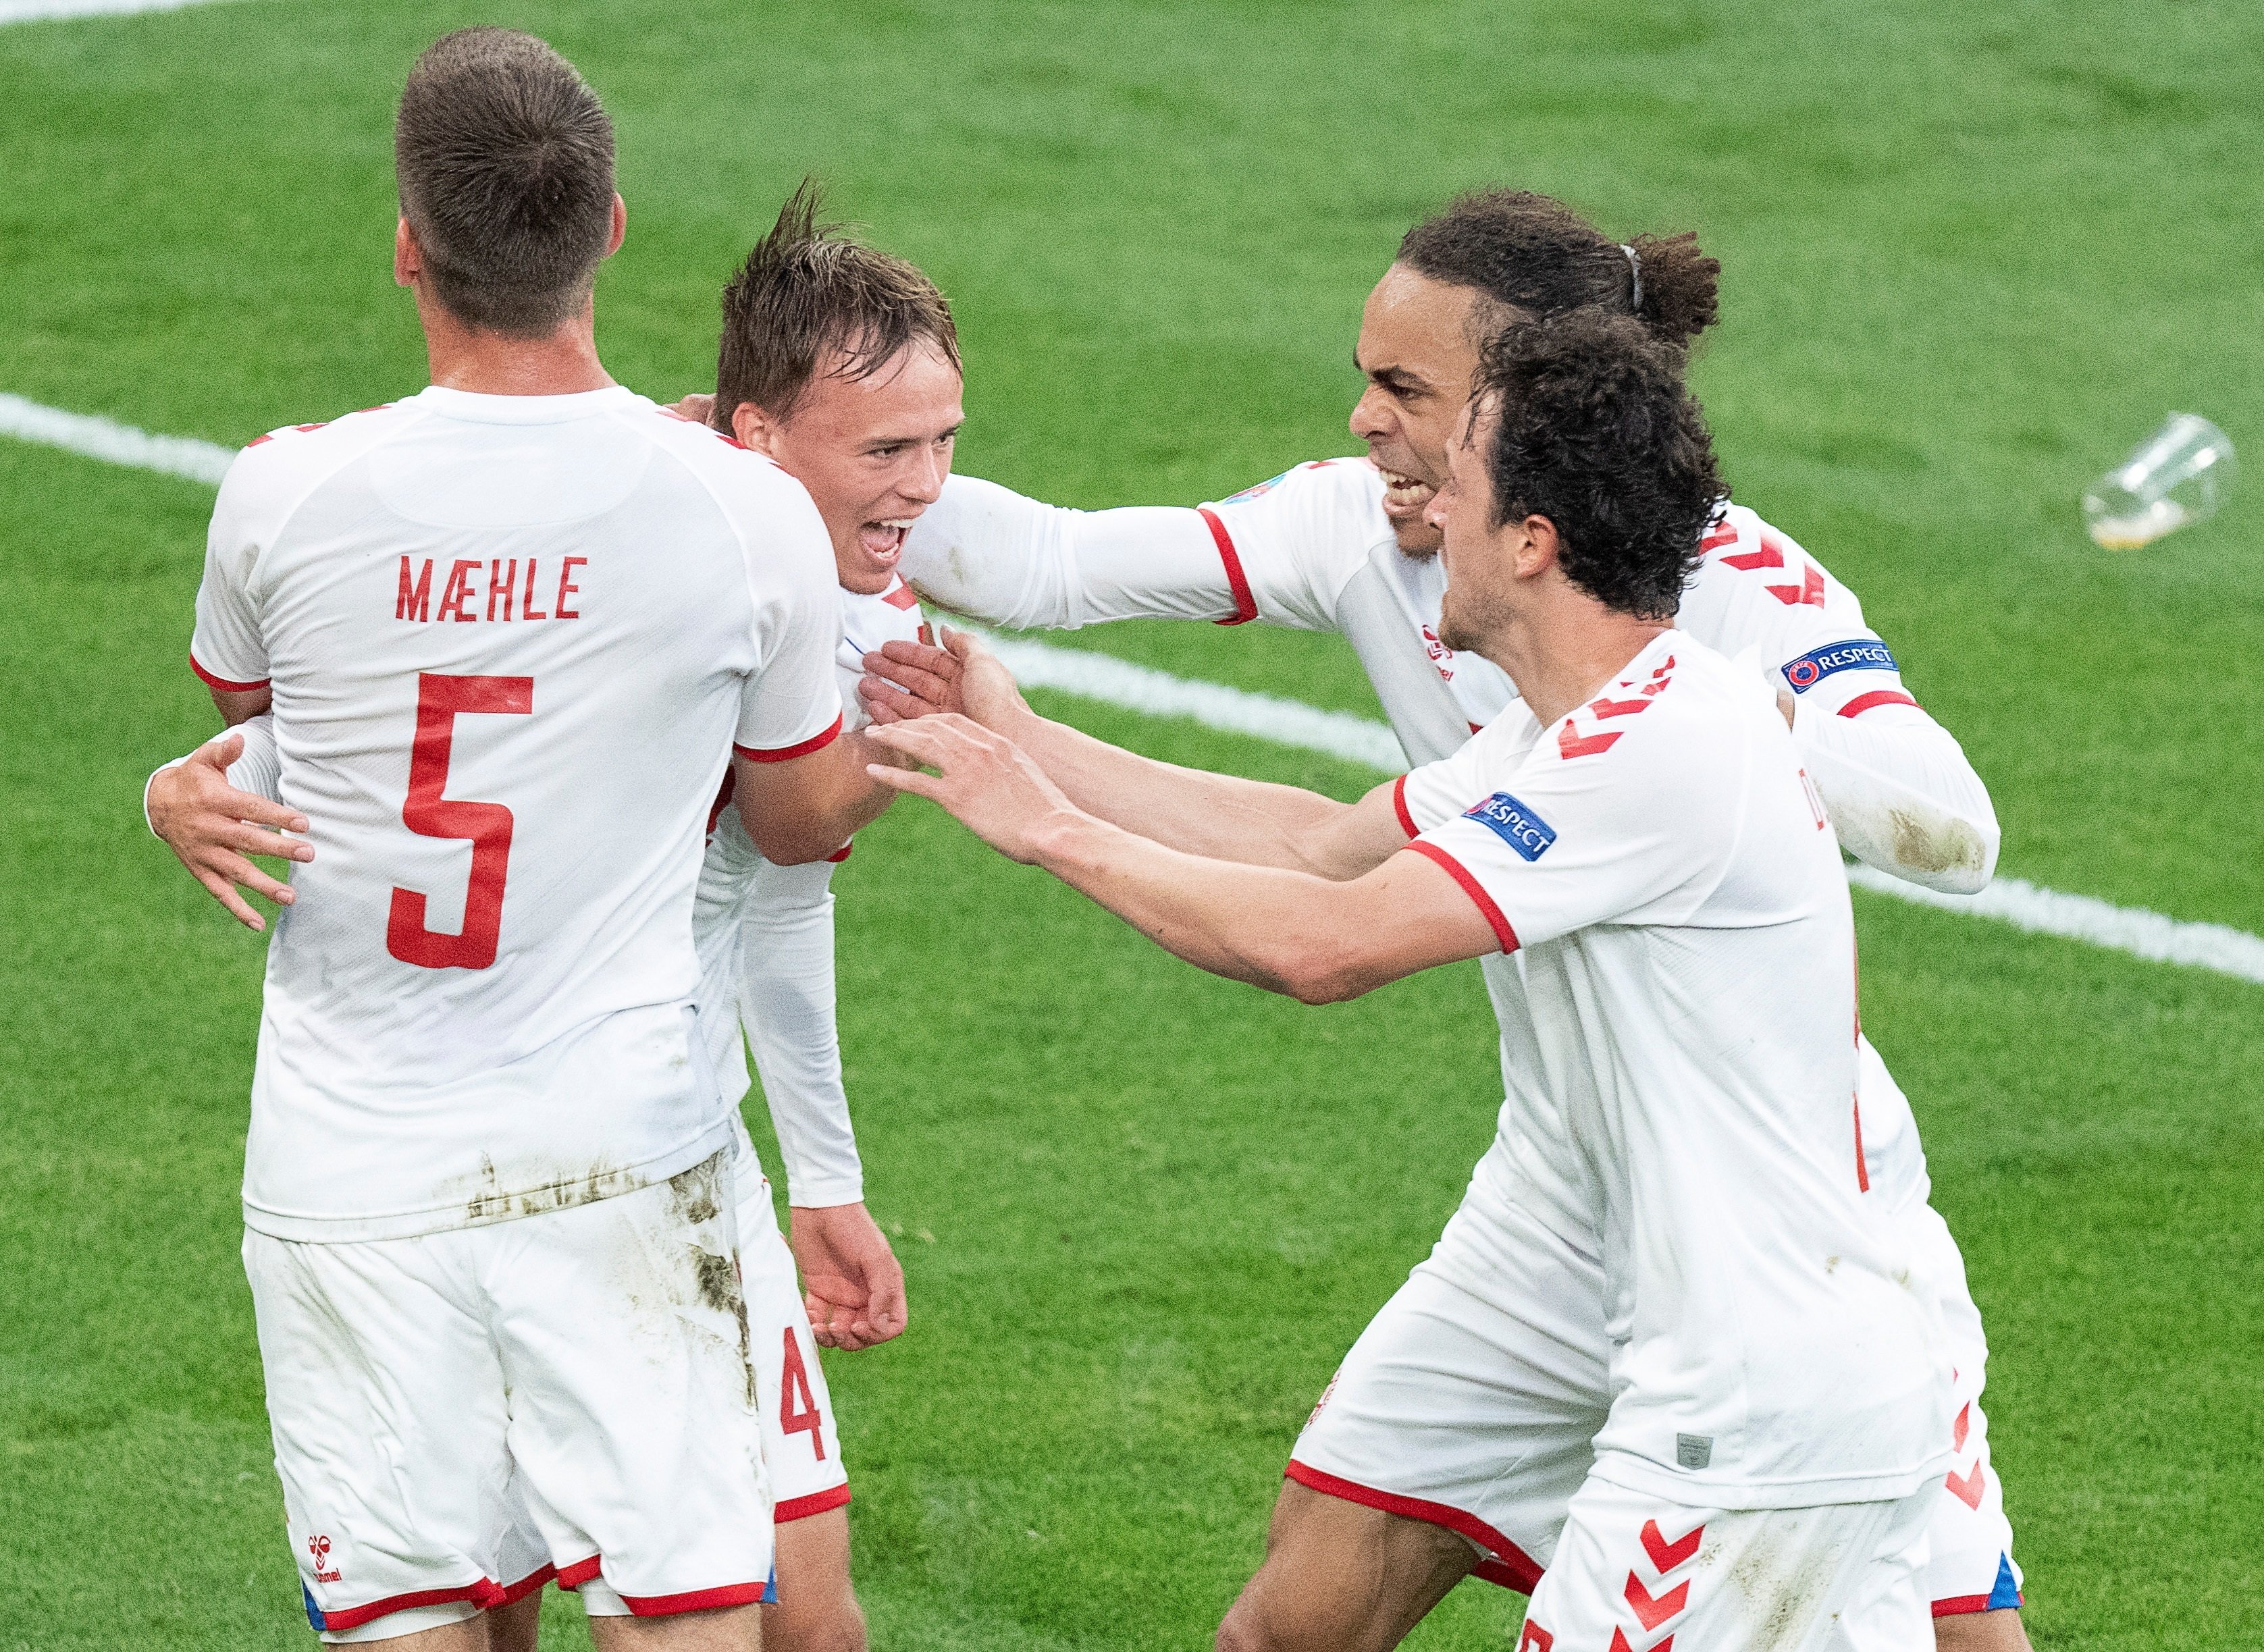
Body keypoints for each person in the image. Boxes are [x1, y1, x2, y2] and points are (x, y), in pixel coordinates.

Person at [879, 190, 2026, 1645]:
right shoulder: (1540, 719)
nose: (1362, 428)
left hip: (1771, 1301)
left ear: (1526, 467)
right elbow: (1319, 849)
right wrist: (1020, 744)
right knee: (1290, 1617)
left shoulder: (1684, 697)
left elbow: (1322, 948)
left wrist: (1716, 778)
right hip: (1577, 1206)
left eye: (1404, 391)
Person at [144, 30, 899, 1650]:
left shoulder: (278, 497)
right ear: (612, 228)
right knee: (685, 1623)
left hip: (347, 1168)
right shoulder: (736, 509)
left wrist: (164, 790)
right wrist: (921, 733)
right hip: (620, 1156)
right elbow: (791, 820)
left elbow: (268, 734)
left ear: (409, 243)